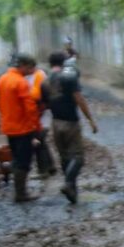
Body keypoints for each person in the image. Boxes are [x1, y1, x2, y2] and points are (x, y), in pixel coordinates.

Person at [41, 51, 98, 203]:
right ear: (63, 63)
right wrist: (90, 119)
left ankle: (72, 191)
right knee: (78, 157)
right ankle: (68, 183)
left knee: (65, 157)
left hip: (56, 122)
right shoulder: (69, 77)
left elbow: (44, 105)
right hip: (71, 122)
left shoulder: (44, 82)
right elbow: (79, 99)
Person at [0, 53, 40, 202]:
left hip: (8, 127)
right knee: (23, 161)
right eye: (30, 68)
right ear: (24, 66)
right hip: (22, 128)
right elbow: (30, 107)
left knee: (15, 156)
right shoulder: (21, 82)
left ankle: (11, 174)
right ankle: (20, 193)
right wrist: (36, 126)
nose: (31, 71)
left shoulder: (2, 80)